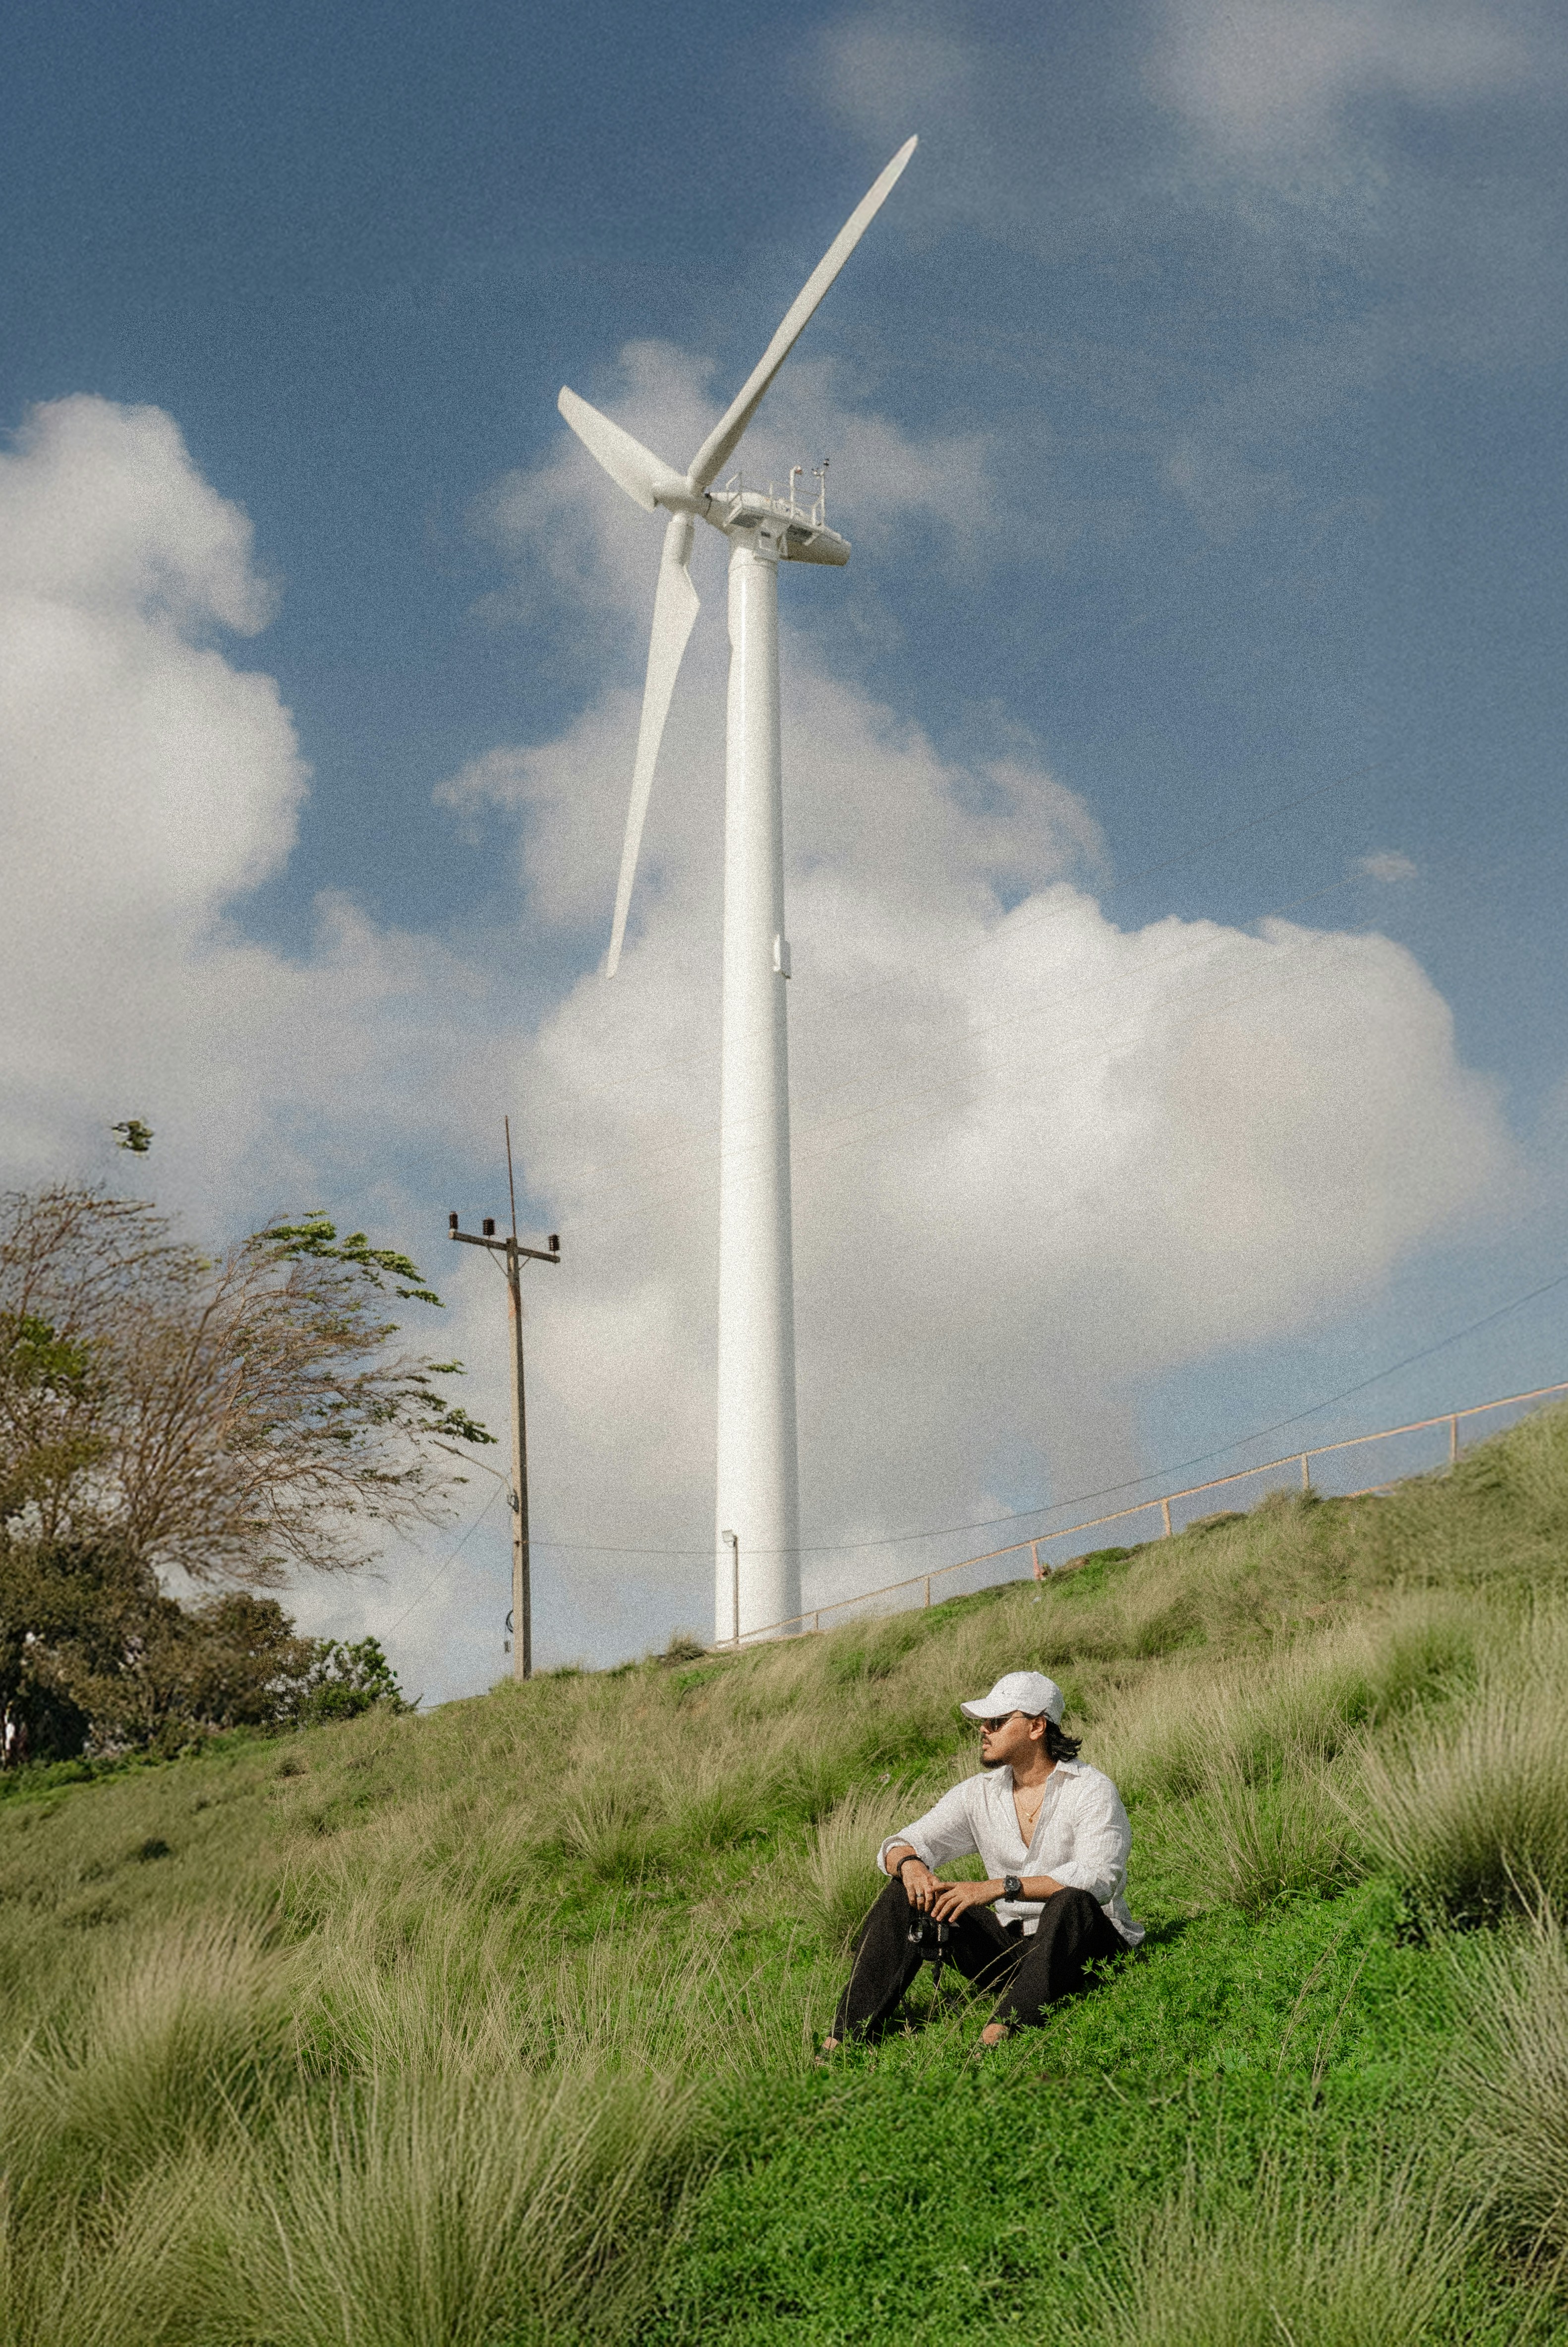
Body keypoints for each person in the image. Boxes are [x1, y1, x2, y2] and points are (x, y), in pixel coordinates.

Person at [822, 1669, 1144, 2054]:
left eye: (996, 1721)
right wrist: (910, 1865)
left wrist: (999, 1887)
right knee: (903, 1893)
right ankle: (843, 2039)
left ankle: (998, 2033)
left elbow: (1098, 1877)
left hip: (1084, 1947)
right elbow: (903, 1842)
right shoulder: (979, 1794)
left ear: (1037, 1726)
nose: (983, 1730)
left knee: (1071, 1899)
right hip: (1011, 1951)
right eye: (982, 1723)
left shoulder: (1091, 1790)